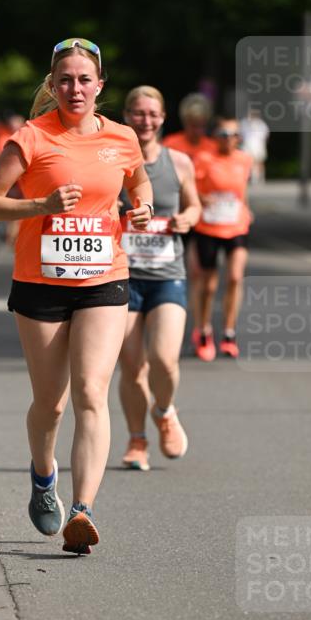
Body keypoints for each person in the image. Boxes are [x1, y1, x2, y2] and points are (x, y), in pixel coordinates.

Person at [0, 38, 153, 554]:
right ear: (52, 86)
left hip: (104, 278)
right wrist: (41, 205)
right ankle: (43, 475)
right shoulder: (30, 138)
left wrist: (140, 207)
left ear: (101, 85)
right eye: (65, 80)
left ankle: (83, 510)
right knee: (52, 405)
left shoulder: (121, 138)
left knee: (92, 394)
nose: (75, 88)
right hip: (40, 283)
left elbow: (139, 186)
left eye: (84, 80)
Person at [118, 86, 200, 471]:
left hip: (167, 274)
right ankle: (137, 441)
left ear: (163, 118)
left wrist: (188, 218)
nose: (145, 120)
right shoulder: (112, 161)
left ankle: (164, 411)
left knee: (164, 359)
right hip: (122, 276)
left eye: (152, 114)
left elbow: (195, 204)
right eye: (137, 113)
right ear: (126, 116)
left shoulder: (179, 162)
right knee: (132, 367)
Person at [191, 118, 253, 360]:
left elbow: (242, 190)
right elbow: (190, 186)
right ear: (215, 136)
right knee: (209, 285)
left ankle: (229, 333)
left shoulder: (245, 160)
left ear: (239, 138)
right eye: (222, 133)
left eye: (232, 134)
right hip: (208, 226)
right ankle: (203, 330)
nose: (227, 138)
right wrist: (200, 199)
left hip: (237, 225)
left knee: (236, 277)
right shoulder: (204, 158)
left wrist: (246, 208)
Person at [162, 92, 217, 162]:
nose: (198, 131)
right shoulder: (169, 144)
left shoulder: (213, 147)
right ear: (185, 123)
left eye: (202, 126)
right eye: (194, 126)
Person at [239, 109, 270, 183]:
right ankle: (249, 177)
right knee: (247, 162)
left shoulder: (261, 124)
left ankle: (261, 178)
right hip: (247, 146)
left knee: (259, 162)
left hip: (258, 146)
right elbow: (240, 134)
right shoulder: (244, 123)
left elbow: (266, 135)